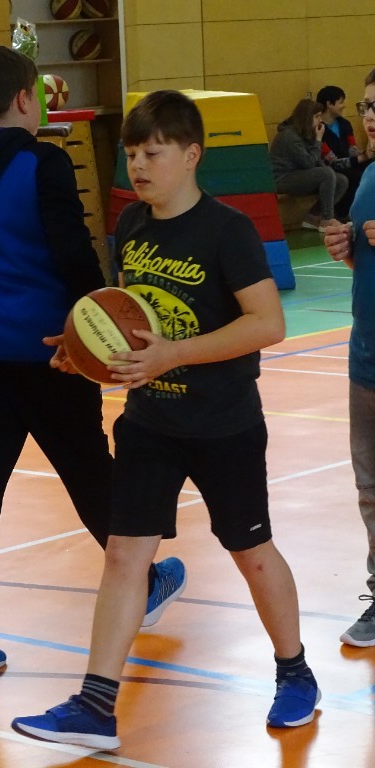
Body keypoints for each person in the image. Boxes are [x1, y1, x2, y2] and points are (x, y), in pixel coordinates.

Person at [12, 89, 321, 749]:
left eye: (152, 153)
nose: (138, 166)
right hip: (150, 422)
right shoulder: (131, 225)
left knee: (250, 553)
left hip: (223, 425)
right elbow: (132, 320)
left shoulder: (227, 231)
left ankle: (295, 671)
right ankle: (95, 706)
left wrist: (174, 355)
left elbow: (268, 323)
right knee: (125, 555)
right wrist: (86, 353)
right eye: (131, 154)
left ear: (191, 155)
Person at [0, 47, 186, 671]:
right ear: (25, 98)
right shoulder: (41, 162)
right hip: (49, 353)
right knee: (88, 469)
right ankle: (145, 582)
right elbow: (71, 250)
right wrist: (100, 322)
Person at [323, 68, 375, 647]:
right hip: (366, 359)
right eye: (366, 107)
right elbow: (366, 264)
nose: (371, 117)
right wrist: (347, 249)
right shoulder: (368, 176)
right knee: (371, 489)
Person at [270, 98, 348, 232]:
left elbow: (315, 161)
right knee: (326, 174)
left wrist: (328, 170)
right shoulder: (289, 136)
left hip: (298, 174)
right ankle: (327, 219)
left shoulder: (303, 133)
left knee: (341, 180)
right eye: (317, 117)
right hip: (282, 178)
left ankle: (313, 216)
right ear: (306, 117)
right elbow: (309, 163)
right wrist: (318, 140)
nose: (320, 121)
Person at [316, 85, 375, 219]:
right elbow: (333, 162)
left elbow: (352, 149)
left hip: (349, 162)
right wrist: (363, 157)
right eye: (341, 102)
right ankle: (345, 215)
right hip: (330, 167)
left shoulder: (344, 124)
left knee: (371, 167)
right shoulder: (319, 128)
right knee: (355, 176)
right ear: (329, 104)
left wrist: (366, 152)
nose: (344, 106)